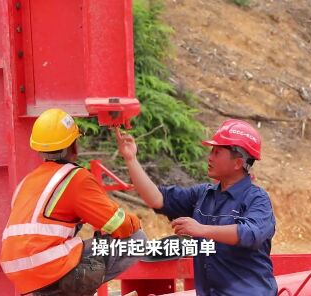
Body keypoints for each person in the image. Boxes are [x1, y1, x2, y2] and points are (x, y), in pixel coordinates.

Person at [114, 119, 277, 295]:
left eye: (217, 152)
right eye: (211, 151)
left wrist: (202, 230)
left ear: (237, 163)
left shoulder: (257, 198)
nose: (210, 157)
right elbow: (157, 199)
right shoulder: (203, 194)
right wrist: (131, 159)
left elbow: (250, 234)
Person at [0, 108, 146, 295]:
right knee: (136, 240)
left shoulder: (27, 182)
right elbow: (119, 224)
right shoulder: (75, 178)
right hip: (49, 265)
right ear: (73, 146)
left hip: (20, 273)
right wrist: (135, 221)